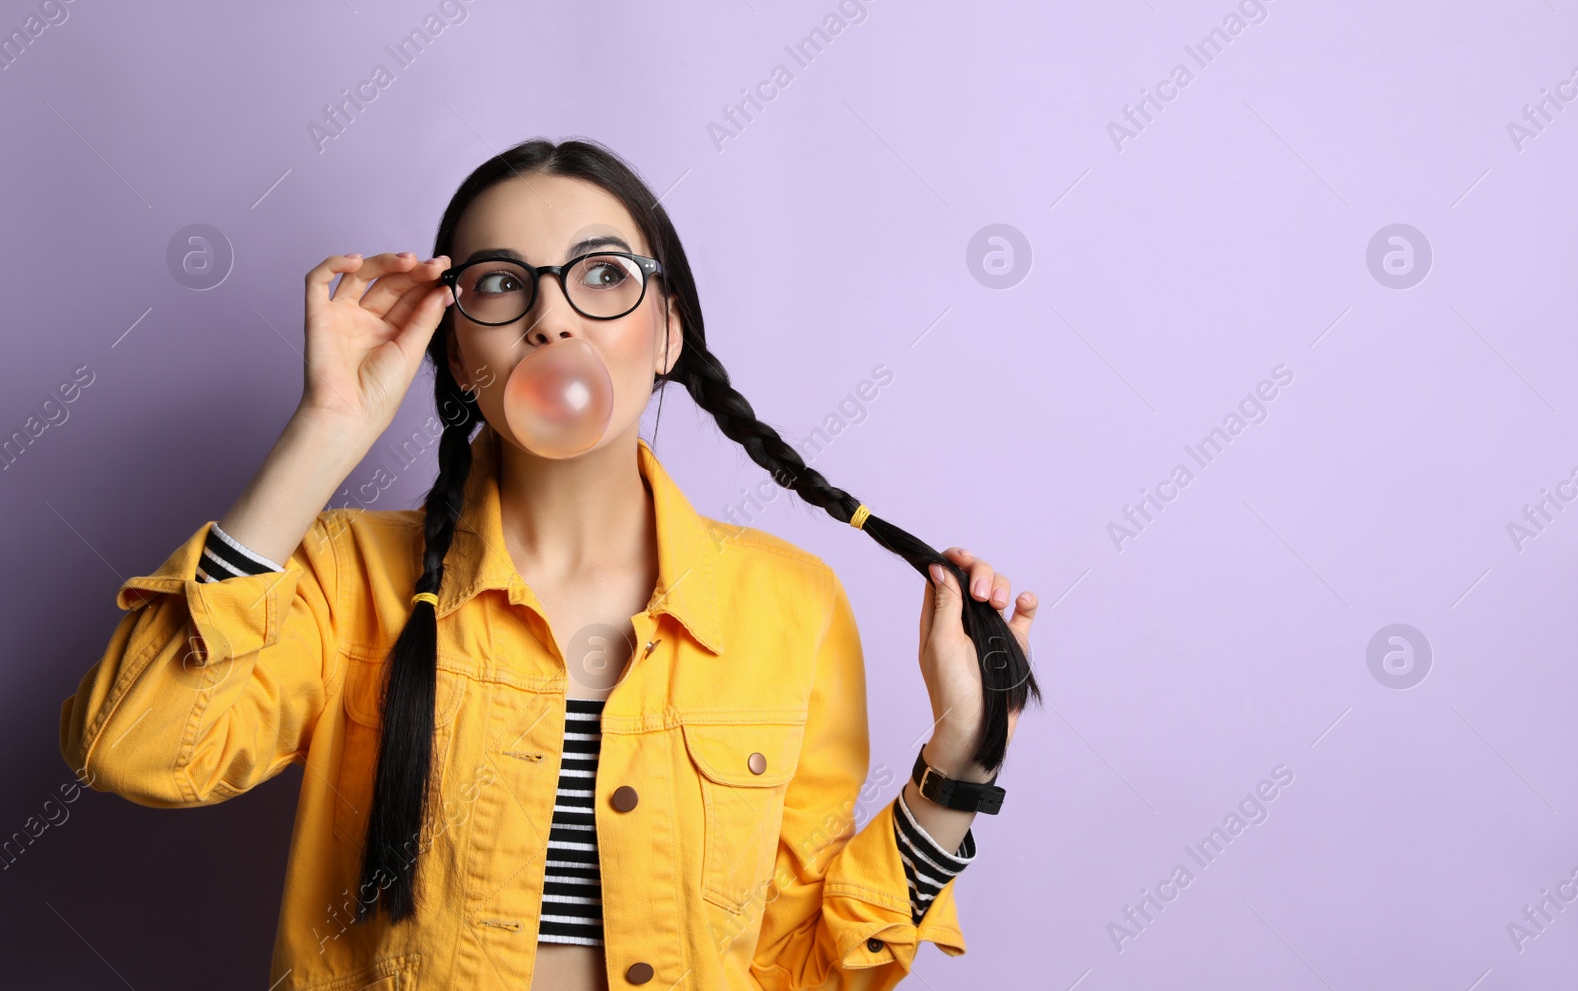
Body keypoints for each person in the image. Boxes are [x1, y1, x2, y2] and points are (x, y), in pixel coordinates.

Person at [59, 138, 1039, 990]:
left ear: (668, 331)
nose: (552, 319)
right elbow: (132, 748)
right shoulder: (342, 574)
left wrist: (961, 759)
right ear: (453, 351)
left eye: (602, 273)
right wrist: (325, 430)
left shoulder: (790, 600)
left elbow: (802, 963)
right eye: (499, 282)